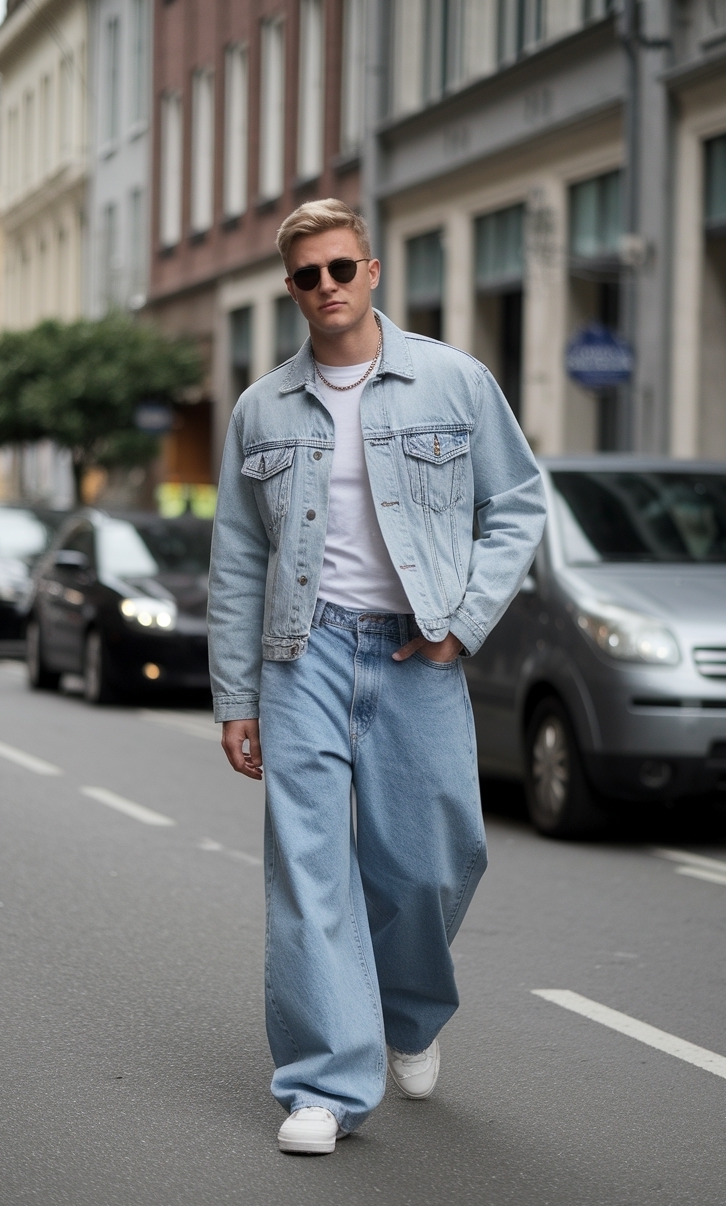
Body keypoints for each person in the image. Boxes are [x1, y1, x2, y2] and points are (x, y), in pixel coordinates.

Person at [208, 199, 546, 1155]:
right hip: (301, 652)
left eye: (341, 269)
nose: (327, 288)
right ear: (291, 288)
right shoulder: (261, 408)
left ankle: (410, 1010)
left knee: (435, 862)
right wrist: (236, 698)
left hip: (417, 650)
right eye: (308, 275)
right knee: (309, 871)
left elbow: (517, 507)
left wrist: (464, 623)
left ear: (373, 270)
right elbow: (236, 559)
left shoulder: (453, 380)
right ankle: (323, 1084)